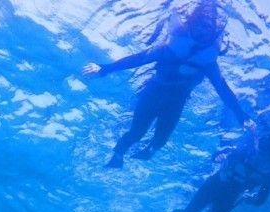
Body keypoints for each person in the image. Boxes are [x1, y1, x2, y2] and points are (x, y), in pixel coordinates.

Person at [82, 1, 249, 168]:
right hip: (153, 93)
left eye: (206, 31)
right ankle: (117, 157)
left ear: (214, 33)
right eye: (199, 27)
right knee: (136, 132)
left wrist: (241, 116)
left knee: (161, 139)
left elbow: (223, 90)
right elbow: (138, 59)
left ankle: (149, 151)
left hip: (176, 102)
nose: (201, 34)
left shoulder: (209, 64)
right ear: (190, 24)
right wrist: (105, 68)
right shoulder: (167, 48)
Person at [149, 125, 270, 212]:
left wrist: (251, 199)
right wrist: (222, 155)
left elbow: (261, 199)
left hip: (229, 198)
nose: (261, 155)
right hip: (213, 186)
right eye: (261, 148)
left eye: (267, 152)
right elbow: (218, 154)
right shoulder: (244, 152)